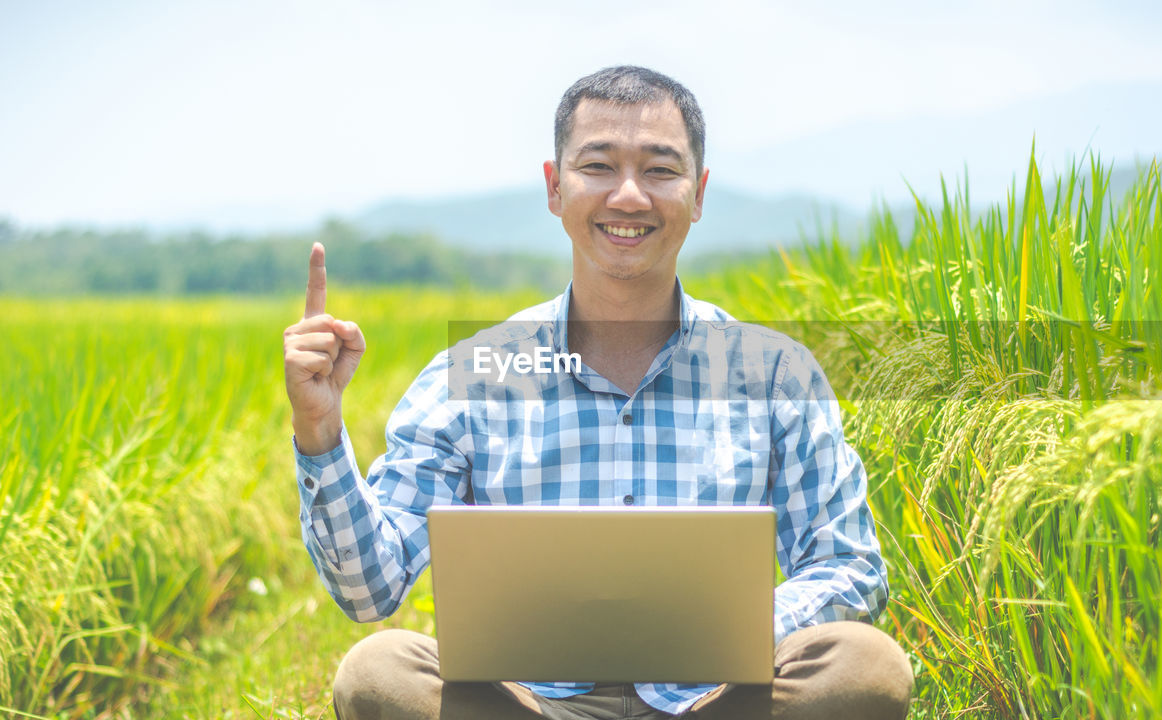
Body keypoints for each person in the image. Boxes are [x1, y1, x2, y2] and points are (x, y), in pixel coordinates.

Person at [282, 66, 913, 719]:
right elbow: (368, 589)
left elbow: (851, 568)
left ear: (698, 195)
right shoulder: (471, 375)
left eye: (660, 171)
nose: (629, 196)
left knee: (866, 666)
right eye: (599, 166)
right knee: (379, 672)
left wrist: (721, 629)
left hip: (716, 699)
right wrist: (320, 430)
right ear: (556, 188)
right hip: (532, 703)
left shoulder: (775, 373)